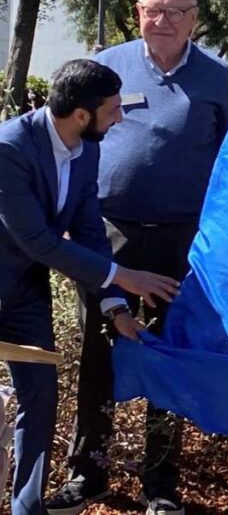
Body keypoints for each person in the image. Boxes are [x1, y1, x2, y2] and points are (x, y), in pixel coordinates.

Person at [48, 0, 228, 515]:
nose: (163, 21)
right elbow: (73, 142)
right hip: (106, 234)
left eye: (175, 13)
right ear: (137, 12)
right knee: (98, 356)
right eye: (153, 11)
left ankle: (160, 485)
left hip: (182, 241)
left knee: (167, 355)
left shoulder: (218, 80)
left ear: (194, 19)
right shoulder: (107, 67)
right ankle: (89, 475)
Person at [0, 59, 179, 515]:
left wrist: (117, 306)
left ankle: (27, 507)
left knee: (39, 398)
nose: (119, 117)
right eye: (113, 109)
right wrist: (125, 276)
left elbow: (88, 232)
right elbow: (38, 240)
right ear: (81, 113)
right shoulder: (9, 148)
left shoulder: (87, 147)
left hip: (23, 296)